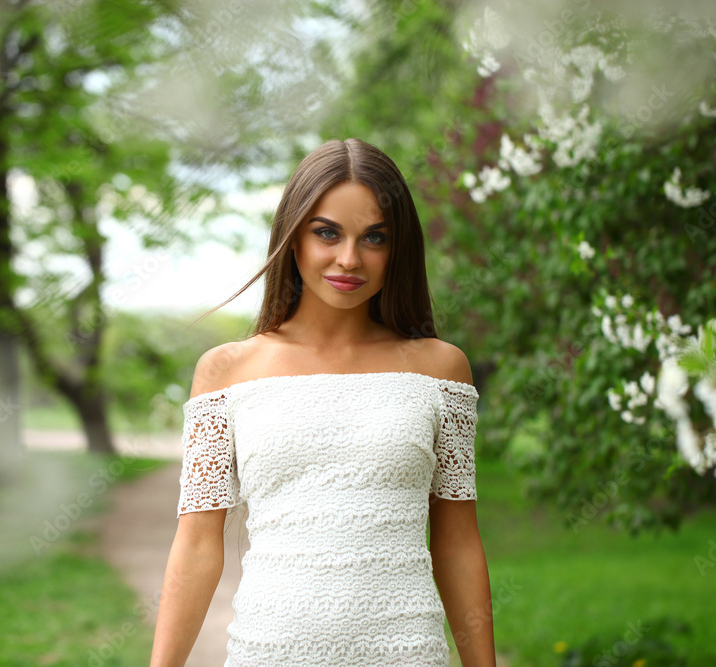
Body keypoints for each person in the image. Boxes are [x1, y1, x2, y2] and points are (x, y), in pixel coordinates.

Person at [149, 138, 496, 667]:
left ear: (397, 248)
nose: (349, 259)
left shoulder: (440, 371)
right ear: (293, 238)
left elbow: (458, 544)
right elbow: (197, 546)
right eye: (327, 233)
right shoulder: (224, 373)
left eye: (374, 237)